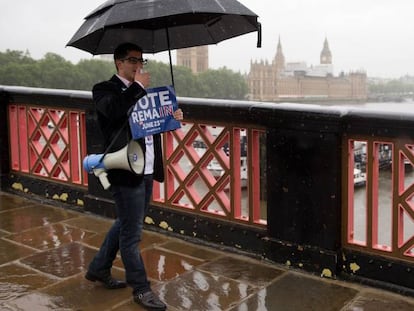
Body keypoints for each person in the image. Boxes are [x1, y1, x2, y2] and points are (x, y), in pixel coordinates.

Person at [85, 42, 183, 311]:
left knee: (129, 222)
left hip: (148, 167)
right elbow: (113, 112)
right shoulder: (104, 90)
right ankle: (141, 289)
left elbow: (152, 124)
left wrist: (172, 116)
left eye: (141, 61)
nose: (139, 65)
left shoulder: (145, 93)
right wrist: (138, 88)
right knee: (132, 233)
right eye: (132, 60)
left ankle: (98, 268)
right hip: (125, 170)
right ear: (118, 63)